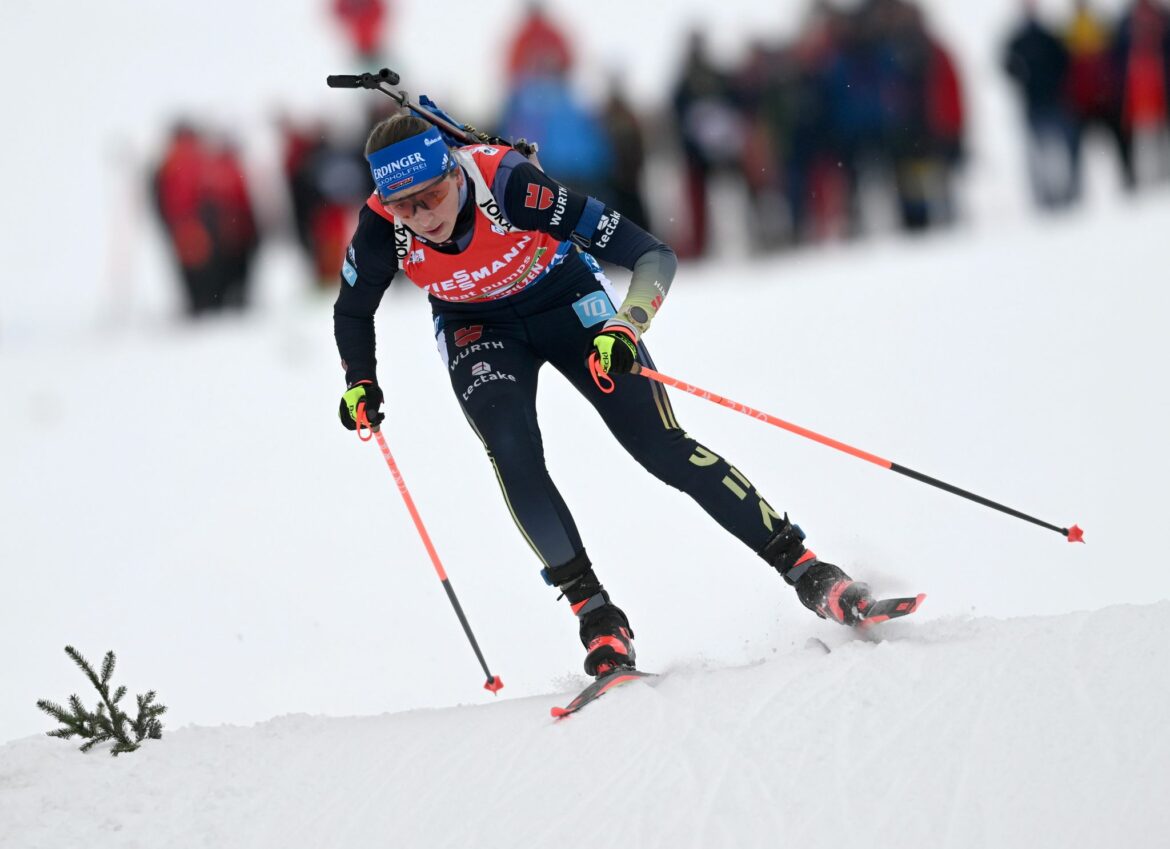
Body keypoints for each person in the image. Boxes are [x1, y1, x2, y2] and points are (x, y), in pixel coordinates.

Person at [333, 111, 877, 677]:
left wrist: (627, 324)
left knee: (658, 444)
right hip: (479, 329)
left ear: (454, 172)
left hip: (567, 302)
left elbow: (653, 254)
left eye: (432, 196)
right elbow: (351, 310)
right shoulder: (380, 228)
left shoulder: (511, 186)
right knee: (512, 451)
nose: (422, 218)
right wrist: (360, 381)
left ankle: (809, 570)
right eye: (404, 206)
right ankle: (597, 619)